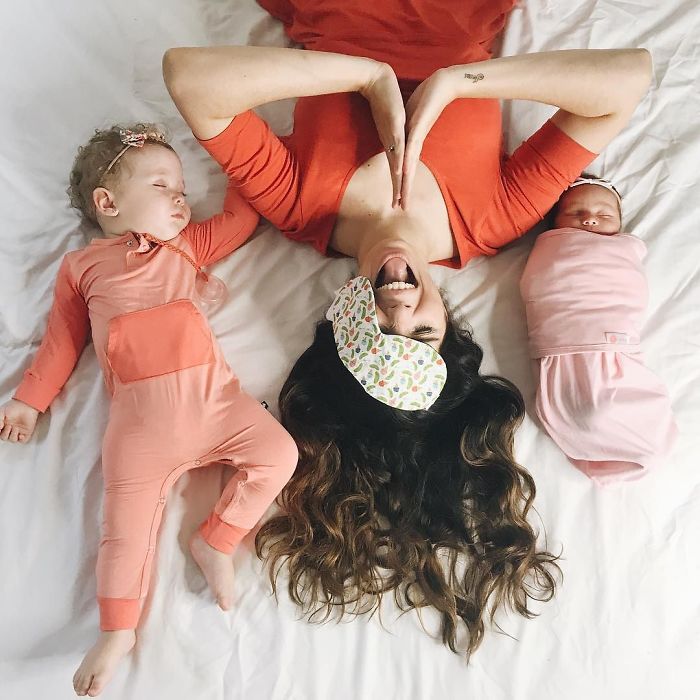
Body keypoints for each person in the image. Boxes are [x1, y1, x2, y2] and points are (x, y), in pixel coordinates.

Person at [163, 0, 652, 655]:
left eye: (378, 339)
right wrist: (458, 81)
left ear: (341, 331)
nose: (397, 306)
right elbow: (628, 78)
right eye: (420, 336)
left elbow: (188, 75)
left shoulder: (299, 207)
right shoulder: (492, 221)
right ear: (449, 327)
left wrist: (368, 78)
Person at [0, 124, 298, 696]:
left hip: (217, 404)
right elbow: (61, 342)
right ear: (108, 203)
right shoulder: (80, 268)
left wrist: (240, 155)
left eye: (182, 188)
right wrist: (29, 400)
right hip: (140, 429)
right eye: (163, 186)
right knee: (124, 533)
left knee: (279, 454)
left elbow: (241, 220)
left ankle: (217, 539)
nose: (181, 199)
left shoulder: (184, 245)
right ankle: (116, 633)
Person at [520, 176, 677, 483]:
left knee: (612, 403)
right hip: (562, 345)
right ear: (554, 224)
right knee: (584, 409)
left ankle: (637, 446)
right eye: (575, 212)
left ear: (620, 223)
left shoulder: (622, 251)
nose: (589, 219)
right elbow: (541, 281)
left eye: (604, 214)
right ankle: (604, 444)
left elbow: (629, 288)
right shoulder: (551, 249)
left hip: (615, 343)